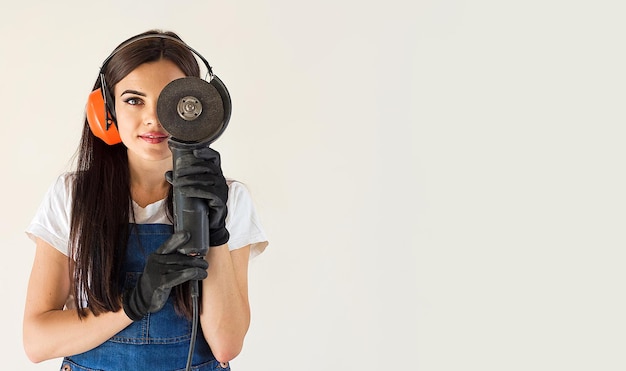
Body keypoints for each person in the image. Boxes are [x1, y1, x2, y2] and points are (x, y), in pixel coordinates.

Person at [23, 29, 268, 371]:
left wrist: (214, 231)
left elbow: (226, 345)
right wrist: (133, 303)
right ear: (105, 110)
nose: (154, 118)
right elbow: (37, 342)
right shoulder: (72, 196)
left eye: (171, 101)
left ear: (198, 108)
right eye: (134, 100)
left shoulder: (230, 200)